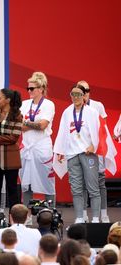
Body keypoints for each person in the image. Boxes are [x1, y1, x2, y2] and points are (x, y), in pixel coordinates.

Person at [53, 84, 101, 223]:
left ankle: (96, 219)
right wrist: (60, 150)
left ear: (84, 95)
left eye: (79, 94)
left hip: (88, 153)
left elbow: (99, 132)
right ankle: (80, 217)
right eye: (73, 94)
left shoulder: (92, 112)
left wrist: (94, 145)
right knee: (76, 188)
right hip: (72, 154)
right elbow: (62, 132)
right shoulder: (67, 112)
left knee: (93, 187)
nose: (76, 97)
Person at [20, 72, 56, 225]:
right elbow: (19, 126)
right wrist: (31, 124)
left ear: (41, 89)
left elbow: (43, 126)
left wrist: (27, 123)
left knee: (47, 182)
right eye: (28, 88)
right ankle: (27, 216)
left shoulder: (48, 104)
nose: (29, 91)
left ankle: (50, 214)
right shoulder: (24, 104)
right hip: (27, 147)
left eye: (32, 88)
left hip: (42, 147)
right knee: (26, 183)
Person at [78, 80, 114, 223]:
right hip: (80, 150)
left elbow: (103, 129)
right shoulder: (74, 108)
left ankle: (103, 214)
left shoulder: (98, 105)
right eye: (81, 90)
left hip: (96, 150)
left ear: (89, 92)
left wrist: (98, 147)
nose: (84, 93)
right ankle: (84, 214)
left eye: (86, 91)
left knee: (99, 182)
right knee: (82, 183)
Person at [0, 88, 23, 210]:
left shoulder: (17, 115)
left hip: (10, 157)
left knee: (12, 189)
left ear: (8, 100)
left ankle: (15, 220)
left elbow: (13, 138)